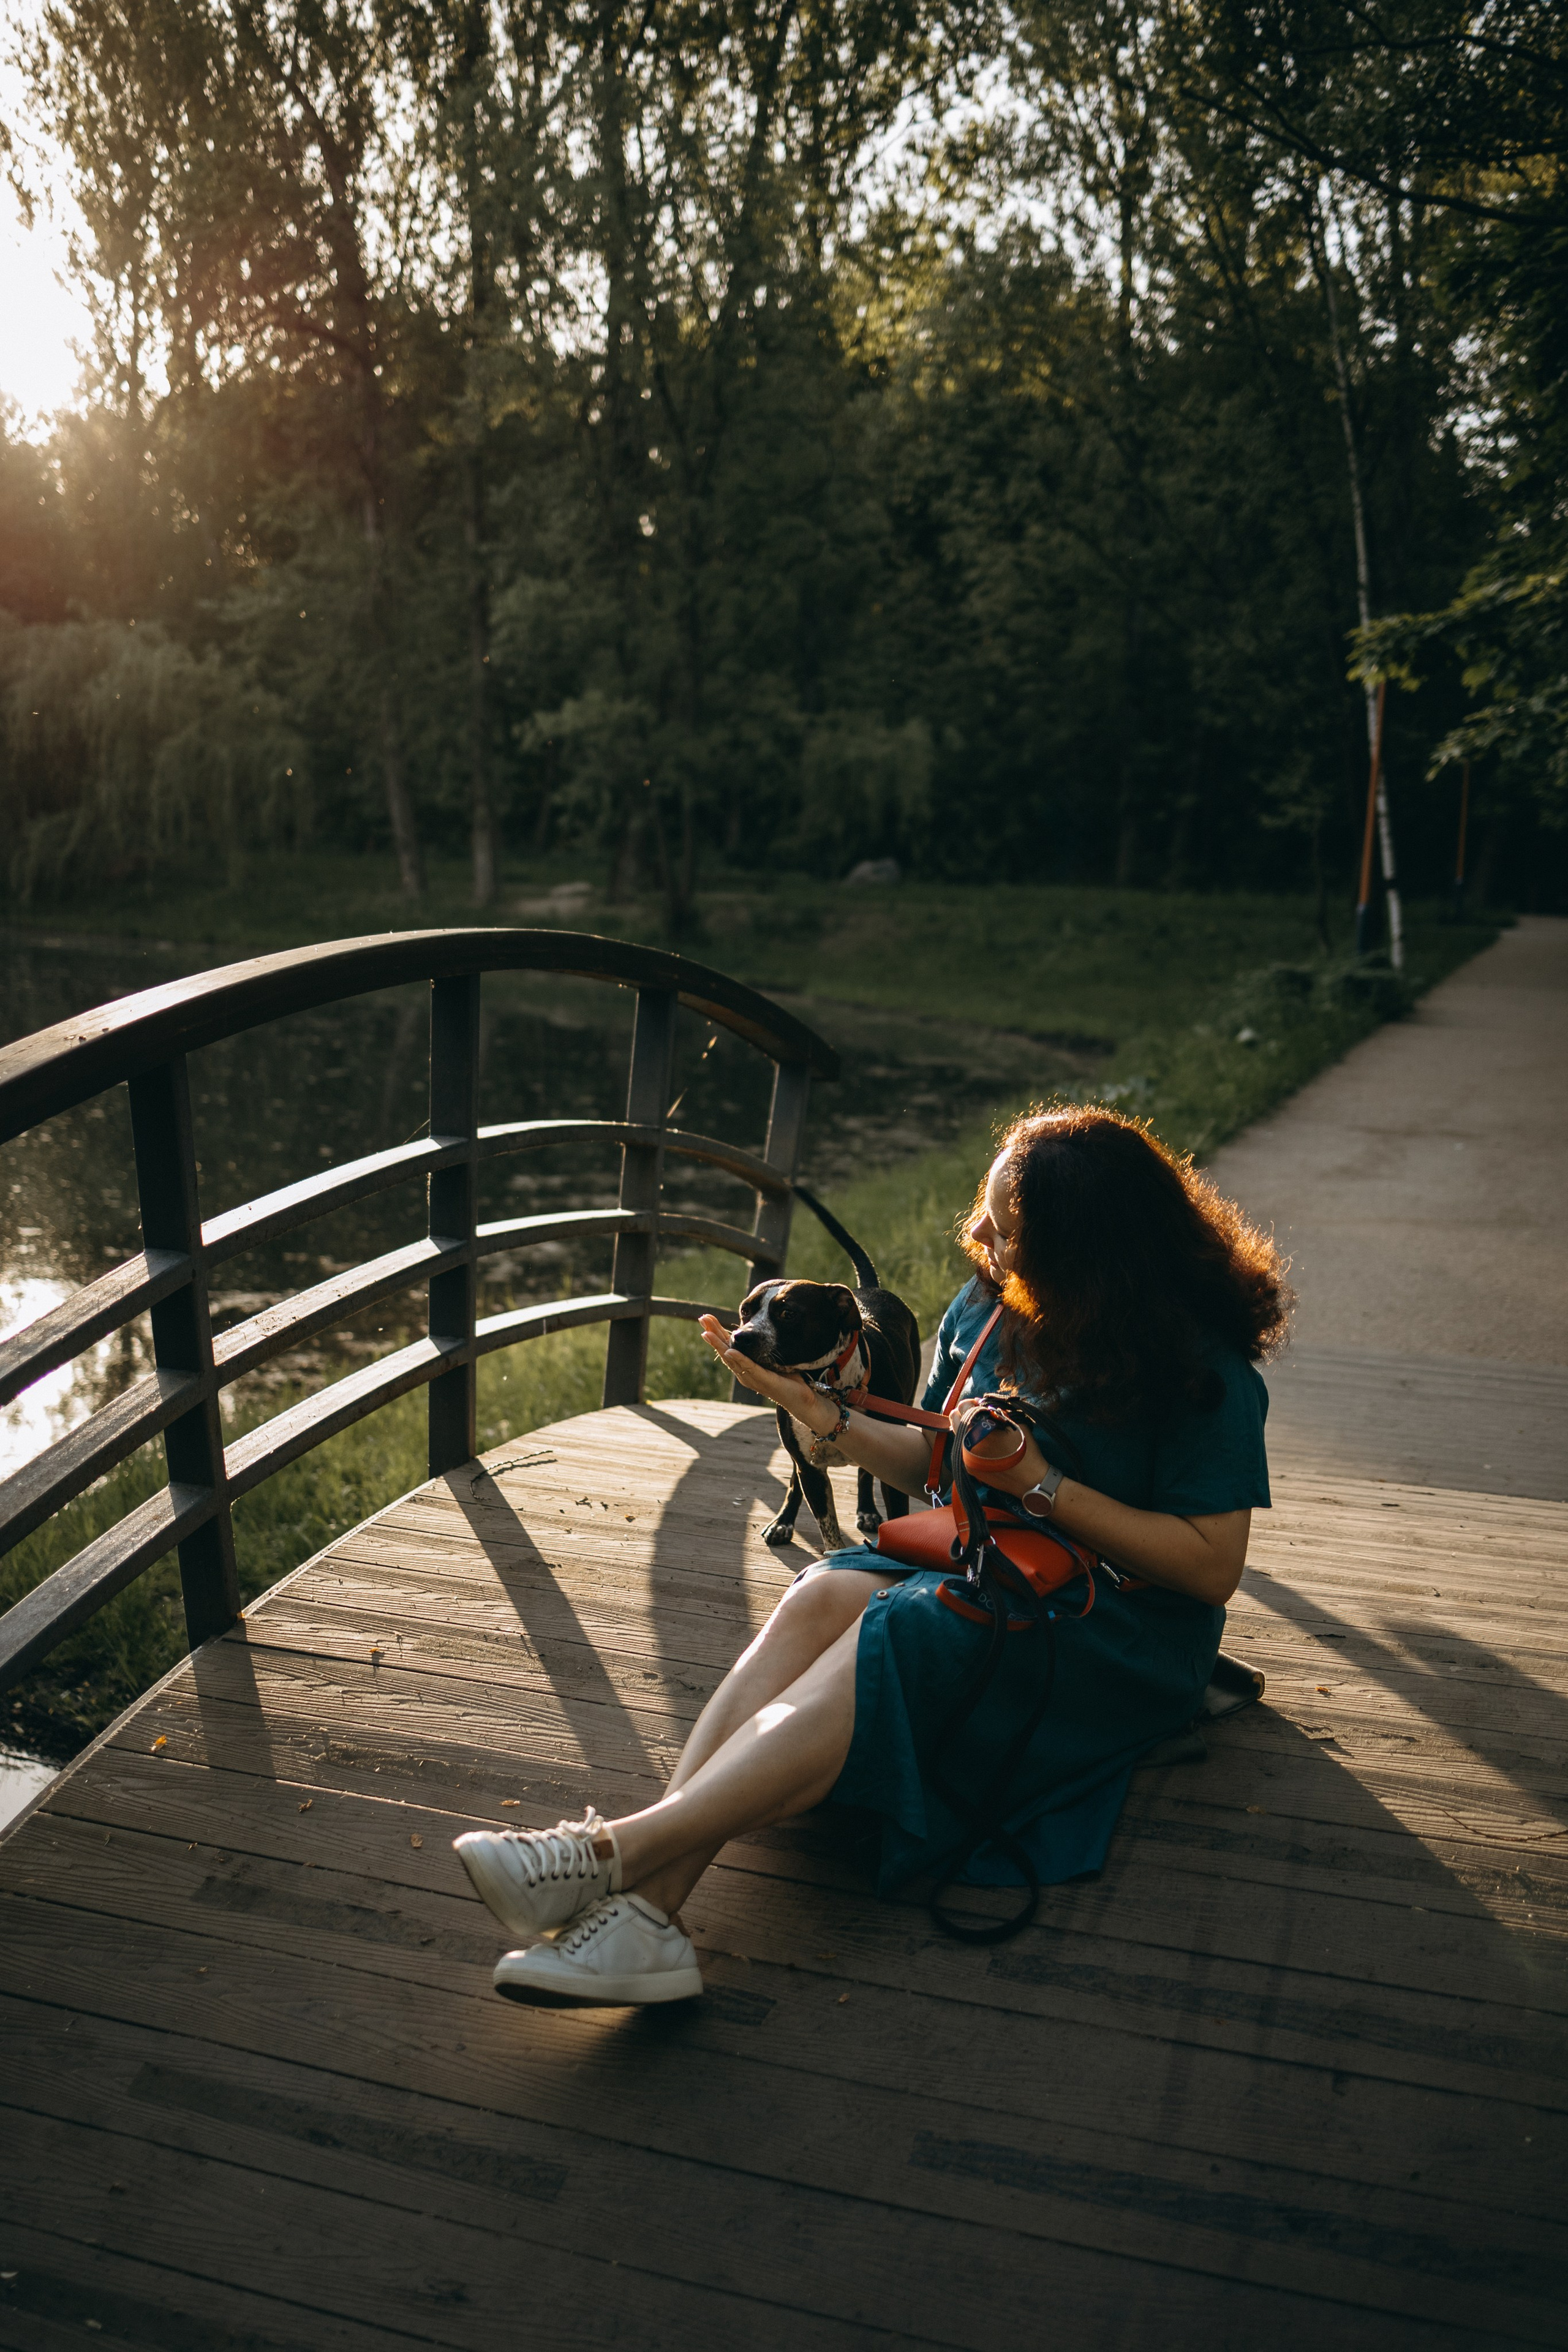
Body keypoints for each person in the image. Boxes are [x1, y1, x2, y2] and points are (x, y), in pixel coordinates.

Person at [453, 1104, 1288, 2005]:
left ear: (1089, 1254)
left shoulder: (1198, 1368)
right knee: (821, 1590)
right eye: (988, 1212)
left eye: (1007, 1231)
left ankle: (610, 1857)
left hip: (1120, 1627)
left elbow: (1209, 1570)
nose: (979, 1236)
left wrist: (1042, 1484)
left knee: (900, 1626)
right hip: (992, 1560)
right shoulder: (989, 1307)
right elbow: (939, 1464)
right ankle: (649, 1912)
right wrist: (827, 1419)